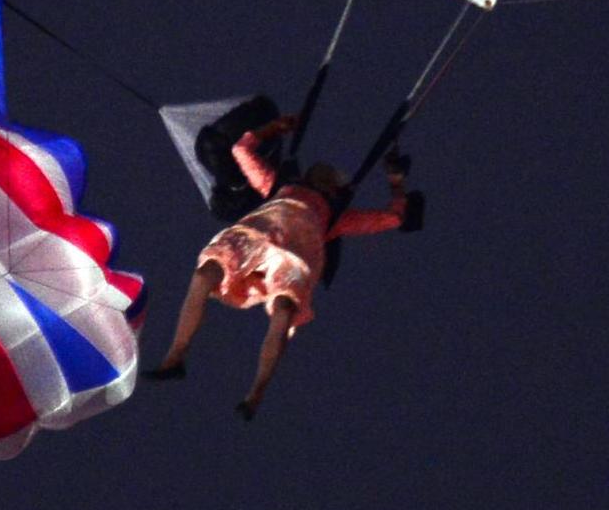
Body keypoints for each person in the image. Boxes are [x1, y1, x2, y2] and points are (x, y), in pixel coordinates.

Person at [144, 113, 417, 420]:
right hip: (256, 235)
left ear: (335, 186)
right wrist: (273, 127)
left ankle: (256, 392)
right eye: (316, 172)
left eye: (327, 176)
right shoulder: (277, 186)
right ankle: (176, 355)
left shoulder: (336, 215)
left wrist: (396, 183)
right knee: (206, 272)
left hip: (296, 254)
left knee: (285, 310)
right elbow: (241, 150)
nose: (319, 175)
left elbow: (393, 218)